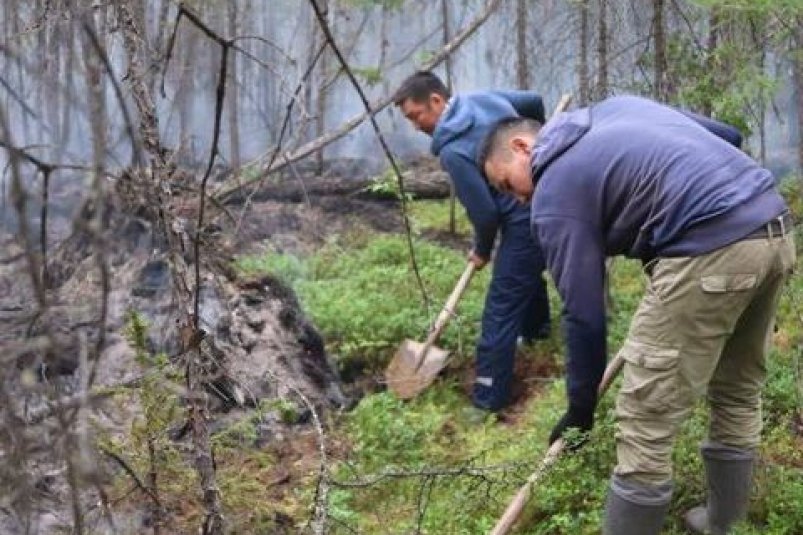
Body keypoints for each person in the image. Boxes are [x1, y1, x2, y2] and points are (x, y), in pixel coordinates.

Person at [477, 95, 795, 534]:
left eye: (509, 185)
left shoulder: (554, 190)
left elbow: (585, 315)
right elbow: (727, 135)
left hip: (708, 249)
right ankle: (725, 525)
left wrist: (580, 410)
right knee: (738, 390)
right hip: (772, 229)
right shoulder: (618, 108)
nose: (518, 200)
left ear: (521, 147)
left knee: (645, 419)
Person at [394, 71, 552, 412]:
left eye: (415, 116)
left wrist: (481, 250)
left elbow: (485, 214)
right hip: (549, 195)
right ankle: (539, 333)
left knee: (499, 309)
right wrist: (542, 154)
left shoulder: (452, 151)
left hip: (525, 219)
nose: (415, 126)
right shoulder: (483, 98)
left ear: (436, 101)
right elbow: (534, 101)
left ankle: (487, 400)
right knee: (522, 272)